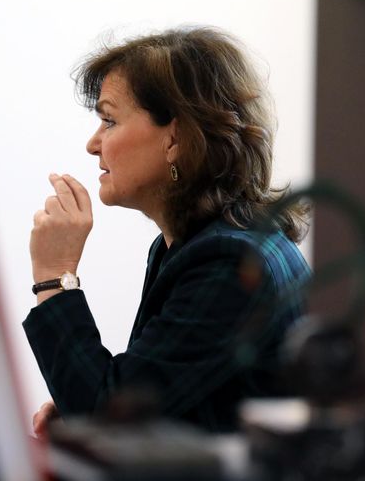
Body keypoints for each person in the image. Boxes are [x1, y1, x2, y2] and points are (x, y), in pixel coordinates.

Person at [23, 26, 311, 436]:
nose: (93, 143)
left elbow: (110, 417)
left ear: (175, 139)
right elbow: (160, 398)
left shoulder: (228, 264)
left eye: (109, 120)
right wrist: (78, 403)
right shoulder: (192, 245)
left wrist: (55, 277)